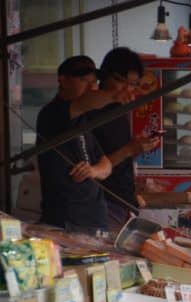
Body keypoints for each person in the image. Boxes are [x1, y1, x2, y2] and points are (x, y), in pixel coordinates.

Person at [36, 56, 115, 231]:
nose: (90, 87)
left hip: (95, 220)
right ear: (62, 80)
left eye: (93, 82)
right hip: (65, 220)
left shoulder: (82, 120)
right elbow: (87, 100)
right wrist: (117, 94)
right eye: (83, 80)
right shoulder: (52, 114)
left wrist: (92, 170)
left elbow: (107, 166)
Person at [91, 47, 159, 223]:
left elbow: (119, 159)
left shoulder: (118, 110)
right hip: (103, 203)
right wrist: (129, 149)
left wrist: (136, 148)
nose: (129, 90)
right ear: (105, 76)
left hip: (123, 202)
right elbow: (94, 168)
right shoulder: (91, 114)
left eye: (134, 84)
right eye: (123, 82)